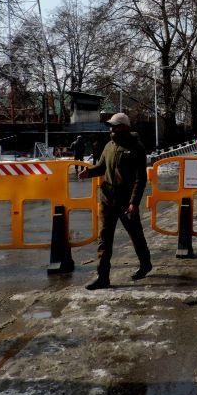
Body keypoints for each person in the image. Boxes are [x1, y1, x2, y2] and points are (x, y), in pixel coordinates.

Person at [78, 113, 152, 290]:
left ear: (125, 127)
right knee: (104, 237)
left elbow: (140, 179)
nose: (111, 129)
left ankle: (145, 263)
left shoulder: (136, 148)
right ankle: (103, 277)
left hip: (126, 201)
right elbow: (102, 167)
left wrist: (134, 202)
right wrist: (89, 172)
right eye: (111, 126)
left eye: (115, 126)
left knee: (135, 234)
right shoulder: (109, 146)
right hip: (107, 198)